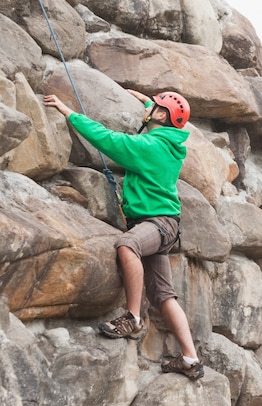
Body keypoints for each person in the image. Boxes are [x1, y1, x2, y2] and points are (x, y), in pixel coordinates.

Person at [44, 90, 204, 381]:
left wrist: (70, 114)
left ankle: (132, 318)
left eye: (153, 107)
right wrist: (144, 98)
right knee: (164, 296)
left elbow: (109, 141)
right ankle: (190, 359)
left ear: (160, 116)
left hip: (156, 224)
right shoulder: (169, 142)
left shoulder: (150, 146)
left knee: (127, 245)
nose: (147, 108)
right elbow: (158, 112)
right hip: (163, 224)